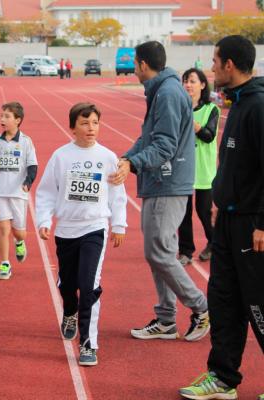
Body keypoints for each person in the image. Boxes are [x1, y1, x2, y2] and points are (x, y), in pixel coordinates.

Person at [179, 35, 264, 400]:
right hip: (228, 223)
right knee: (224, 299)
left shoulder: (258, 107)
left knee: (258, 302)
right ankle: (223, 378)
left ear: (229, 64)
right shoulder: (239, 104)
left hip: (252, 225)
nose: (211, 67)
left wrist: (262, 221)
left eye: (214, 61)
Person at [109, 41, 210, 342]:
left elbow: (164, 146)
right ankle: (166, 319)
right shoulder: (161, 90)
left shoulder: (166, 93)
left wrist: (134, 163)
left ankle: (202, 309)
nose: (133, 70)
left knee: (159, 252)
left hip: (167, 182)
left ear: (141, 64)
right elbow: (147, 137)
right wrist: (126, 158)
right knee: (158, 253)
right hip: (159, 182)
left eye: (134, 65)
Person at [36, 103, 127, 366]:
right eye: (85, 123)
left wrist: (119, 225)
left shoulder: (109, 157)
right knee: (68, 285)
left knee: (88, 286)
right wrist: (44, 219)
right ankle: (70, 311)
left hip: (94, 228)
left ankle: (88, 343)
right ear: (72, 127)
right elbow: (46, 192)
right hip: (66, 229)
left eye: (95, 122)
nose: (91, 128)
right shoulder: (61, 156)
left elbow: (117, 195)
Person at [0, 102, 38, 280]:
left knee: (18, 231)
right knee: (2, 227)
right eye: (2, 116)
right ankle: (5, 263)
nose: (3, 119)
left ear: (18, 120)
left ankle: (20, 242)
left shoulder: (26, 141)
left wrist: (28, 182)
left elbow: (32, 165)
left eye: (7, 116)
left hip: (17, 193)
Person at [177, 68, 220, 266]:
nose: (188, 84)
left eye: (192, 81)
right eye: (185, 81)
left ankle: (214, 243)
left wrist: (195, 125)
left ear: (202, 85)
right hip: (183, 166)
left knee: (203, 210)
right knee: (183, 212)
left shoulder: (212, 109)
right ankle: (186, 250)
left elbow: (209, 135)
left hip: (203, 168)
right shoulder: (178, 107)